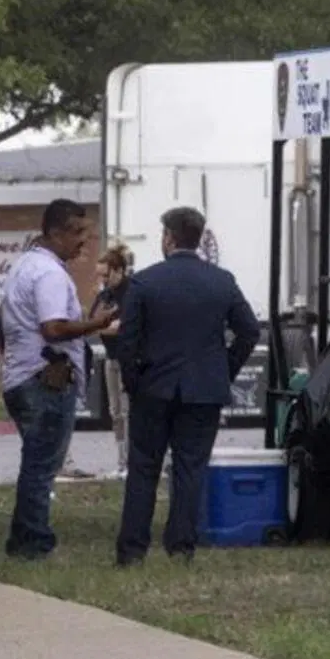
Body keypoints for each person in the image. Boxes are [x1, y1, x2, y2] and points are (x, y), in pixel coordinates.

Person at [115, 207, 259, 565]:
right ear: (198, 238)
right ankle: (181, 547)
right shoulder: (221, 281)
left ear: (168, 238)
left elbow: (127, 342)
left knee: (143, 468)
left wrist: (134, 382)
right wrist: (223, 369)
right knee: (190, 468)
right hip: (204, 390)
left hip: (154, 387)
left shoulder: (144, 282)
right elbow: (249, 331)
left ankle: (132, 550)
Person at [0, 199, 116, 559]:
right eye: (76, 232)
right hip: (44, 380)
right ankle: (34, 544)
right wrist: (97, 323)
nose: (84, 241)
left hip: (21, 377)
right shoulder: (49, 273)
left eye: (86, 233)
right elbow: (53, 328)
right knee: (41, 468)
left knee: (36, 464)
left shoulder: (24, 265)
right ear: (53, 232)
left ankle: (22, 540)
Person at [90, 244, 136, 476]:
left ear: (119, 271)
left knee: (129, 412)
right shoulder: (104, 296)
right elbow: (93, 323)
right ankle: (121, 461)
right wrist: (104, 325)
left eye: (106, 275)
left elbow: (123, 326)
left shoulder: (132, 292)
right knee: (115, 412)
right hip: (111, 359)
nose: (103, 280)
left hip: (130, 360)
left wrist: (106, 325)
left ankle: (133, 462)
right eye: (99, 276)